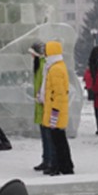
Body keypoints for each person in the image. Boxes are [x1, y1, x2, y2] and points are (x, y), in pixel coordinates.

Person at [40, 39, 74, 176]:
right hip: (56, 110)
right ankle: (64, 166)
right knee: (59, 140)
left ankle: (62, 167)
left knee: (58, 141)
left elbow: (58, 94)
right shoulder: (57, 66)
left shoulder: (55, 69)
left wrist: (54, 113)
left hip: (56, 111)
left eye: (46, 52)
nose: (45, 55)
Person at [29, 41, 56, 174]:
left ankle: (50, 160)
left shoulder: (45, 65)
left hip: (46, 105)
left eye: (32, 54)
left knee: (48, 135)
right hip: (40, 104)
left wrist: (42, 96)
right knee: (44, 135)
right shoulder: (39, 65)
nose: (31, 57)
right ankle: (46, 159)